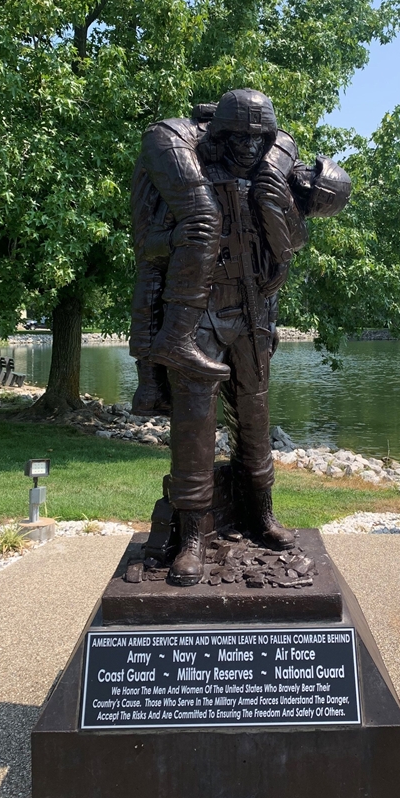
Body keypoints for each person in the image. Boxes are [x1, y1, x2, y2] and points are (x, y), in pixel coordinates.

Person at [130, 89, 351, 585]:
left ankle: (262, 515)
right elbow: (149, 249)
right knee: (194, 425)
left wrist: (279, 200)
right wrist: (181, 240)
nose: (249, 148)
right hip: (198, 315)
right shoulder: (185, 169)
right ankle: (191, 536)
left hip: (253, 314)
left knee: (254, 418)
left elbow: (293, 241)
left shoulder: (276, 175)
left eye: (259, 139)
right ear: (221, 133)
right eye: (239, 137)